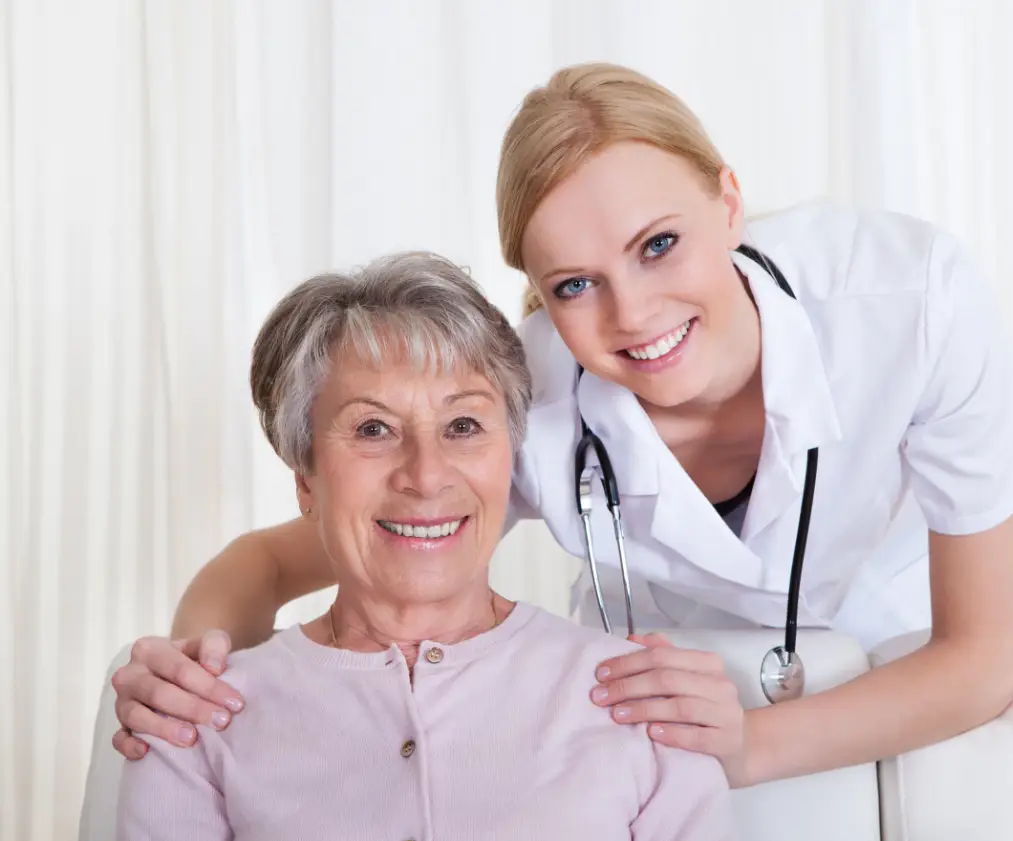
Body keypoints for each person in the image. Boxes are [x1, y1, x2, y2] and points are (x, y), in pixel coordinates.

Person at [109, 62, 1013, 789]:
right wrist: (197, 680)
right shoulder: (518, 399)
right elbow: (266, 564)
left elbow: (979, 658)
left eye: (659, 245)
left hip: (894, 663)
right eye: (573, 285)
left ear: (728, 201)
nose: (633, 314)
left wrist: (749, 743)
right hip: (650, 700)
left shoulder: (912, 304)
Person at [115, 252, 737, 841]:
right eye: (373, 429)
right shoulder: (191, 720)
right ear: (306, 480)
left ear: (510, 457)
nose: (427, 474)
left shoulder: (642, 704)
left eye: (463, 425)